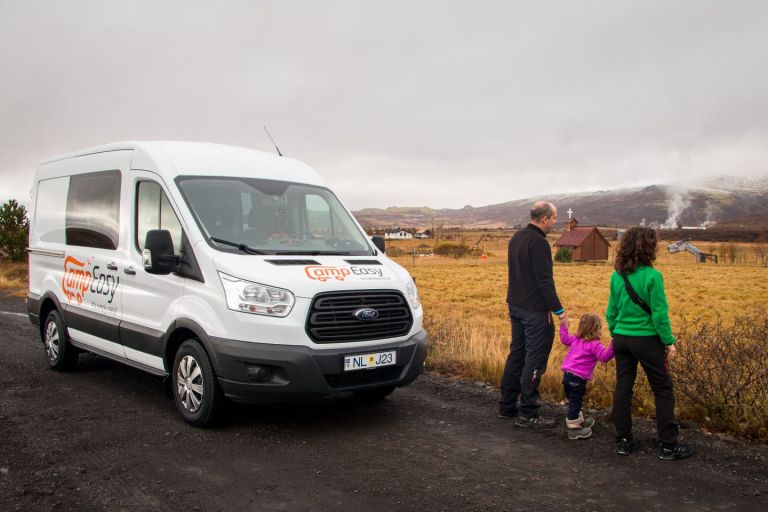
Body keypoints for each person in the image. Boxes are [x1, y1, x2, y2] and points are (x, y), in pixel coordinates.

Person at [606, 226, 694, 460]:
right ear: (649, 248)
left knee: (623, 388)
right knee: (663, 390)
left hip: (621, 339)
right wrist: (668, 341)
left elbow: (611, 311)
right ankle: (668, 445)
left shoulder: (617, 275)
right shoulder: (653, 276)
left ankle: (623, 441)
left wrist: (616, 332)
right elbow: (659, 314)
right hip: (646, 341)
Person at [499, 201, 568, 428]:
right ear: (545, 218)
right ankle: (528, 412)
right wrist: (560, 311)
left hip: (516, 305)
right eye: (555, 217)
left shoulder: (516, 237)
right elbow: (545, 281)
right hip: (536, 311)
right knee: (534, 360)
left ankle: (507, 405)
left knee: (517, 355)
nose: (556, 221)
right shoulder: (539, 243)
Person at [559, 313, 614, 440]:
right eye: (600, 328)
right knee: (575, 402)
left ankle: (577, 420)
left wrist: (564, 326)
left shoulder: (576, 339)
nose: (601, 330)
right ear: (595, 330)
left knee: (573, 400)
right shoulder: (595, 344)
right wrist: (613, 344)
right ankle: (573, 428)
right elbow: (604, 357)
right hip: (578, 380)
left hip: (567, 377)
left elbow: (564, 339)